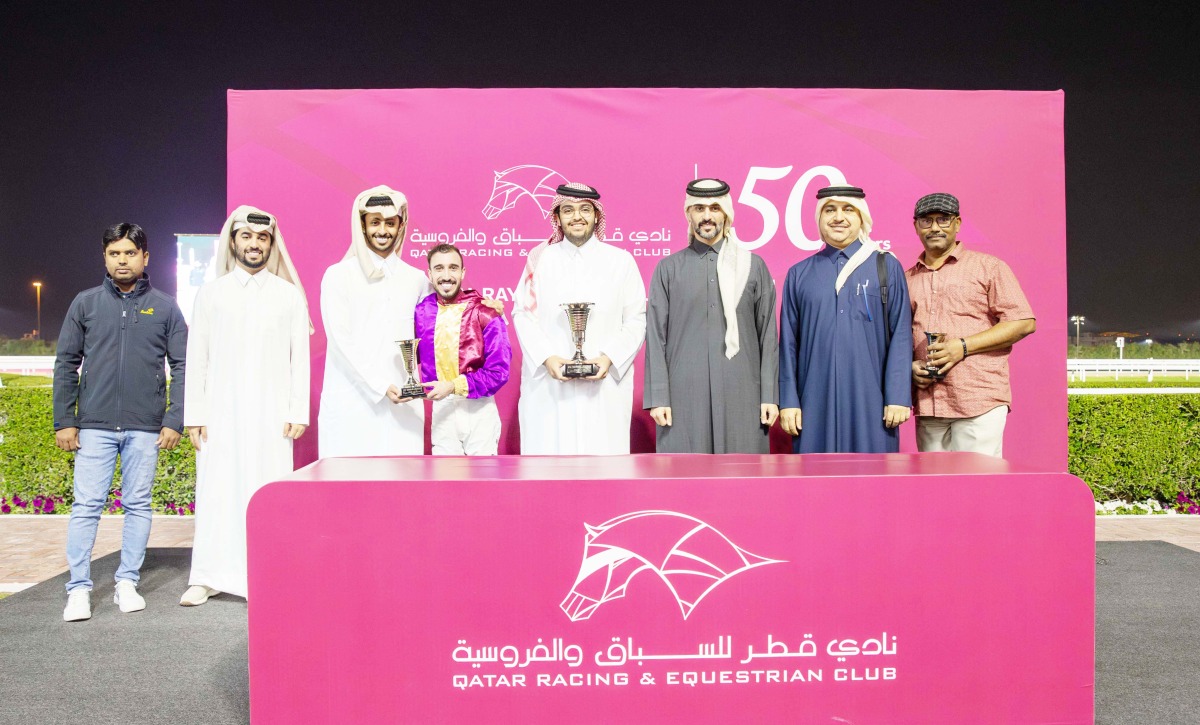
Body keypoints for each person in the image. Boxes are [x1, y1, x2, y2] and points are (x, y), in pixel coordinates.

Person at [54, 223, 187, 621]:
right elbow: (66, 363)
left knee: (138, 505)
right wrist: (65, 420)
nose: (122, 260)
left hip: (146, 427)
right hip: (94, 427)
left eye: (130, 253)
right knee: (86, 506)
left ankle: (126, 582)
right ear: (105, 257)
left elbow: (184, 366)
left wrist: (174, 419)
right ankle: (78, 589)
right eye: (115, 253)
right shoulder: (85, 303)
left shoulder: (165, 307)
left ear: (145, 257)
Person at [181, 206, 311, 606]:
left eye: (262, 238)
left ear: (271, 244)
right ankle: (208, 576)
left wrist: (298, 410)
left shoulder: (288, 295)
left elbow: (300, 358)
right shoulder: (211, 294)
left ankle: (271, 574)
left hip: (273, 416)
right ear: (233, 241)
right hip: (219, 414)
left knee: (268, 490)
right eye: (247, 237)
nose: (254, 244)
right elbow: (197, 357)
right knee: (217, 491)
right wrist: (195, 414)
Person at [643, 178, 779, 453]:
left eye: (715, 208)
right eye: (699, 208)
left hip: (743, 392)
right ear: (688, 214)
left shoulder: (753, 266)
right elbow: (655, 337)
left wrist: (769, 395)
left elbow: (768, 336)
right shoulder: (668, 269)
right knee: (684, 473)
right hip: (683, 396)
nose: (707, 216)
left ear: (726, 213)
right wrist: (659, 397)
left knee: (743, 472)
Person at [511, 182, 646, 455]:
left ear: (596, 215)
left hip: (603, 390)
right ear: (557, 217)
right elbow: (523, 314)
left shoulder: (620, 261)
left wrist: (609, 358)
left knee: (604, 466)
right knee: (548, 466)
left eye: (585, 209)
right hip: (549, 389)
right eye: (568, 210)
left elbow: (636, 319)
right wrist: (547, 358)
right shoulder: (540, 259)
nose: (577, 217)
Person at [778, 185, 913, 453]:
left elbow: (901, 333)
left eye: (848, 210)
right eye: (830, 210)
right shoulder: (799, 274)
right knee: (814, 474)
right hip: (813, 402)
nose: (838, 217)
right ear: (819, 218)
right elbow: (788, 344)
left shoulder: (886, 266)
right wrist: (789, 401)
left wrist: (898, 395)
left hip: (872, 402)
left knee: (873, 473)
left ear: (861, 217)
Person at [906, 193, 1036, 457]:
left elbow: (1022, 321)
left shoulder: (988, 267)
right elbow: (898, 336)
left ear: (957, 223)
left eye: (943, 219)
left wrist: (962, 347)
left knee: (978, 480)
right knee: (933, 480)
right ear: (916, 226)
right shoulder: (907, 278)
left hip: (978, 400)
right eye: (926, 221)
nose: (935, 227)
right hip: (929, 403)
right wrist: (910, 367)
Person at [318, 186, 430, 457]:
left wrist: (481, 308)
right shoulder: (338, 275)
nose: (383, 230)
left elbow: (433, 332)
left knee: (403, 480)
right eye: (375, 222)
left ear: (401, 226)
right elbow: (340, 339)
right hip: (351, 405)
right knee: (348, 481)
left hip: (404, 408)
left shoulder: (416, 279)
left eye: (390, 223)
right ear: (363, 226)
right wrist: (380, 385)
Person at [413, 243, 511, 455]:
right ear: (429, 274)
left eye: (453, 268)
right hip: (442, 411)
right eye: (439, 268)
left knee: (484, 477)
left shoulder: (486, 311)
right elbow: (407, 356)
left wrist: (452, 386)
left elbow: (499, 372)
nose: (446, 276)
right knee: (445, 477)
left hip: (479, 410)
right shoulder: (421, 312)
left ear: (463, 272)